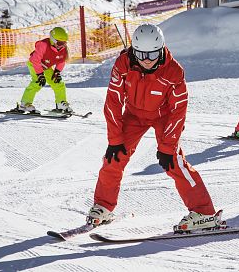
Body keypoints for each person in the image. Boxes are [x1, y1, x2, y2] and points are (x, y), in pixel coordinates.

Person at [88, 24, 220, 233]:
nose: (147, 59)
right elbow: (113, 101)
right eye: (141, 54)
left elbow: (178, 111)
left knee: (174, 162)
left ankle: (204, 212)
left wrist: (168, 146)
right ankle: (104, 206)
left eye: (152, 54)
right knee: (113, 158)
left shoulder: (174, 71)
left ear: (161, 49)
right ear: (133, 50)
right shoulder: (123, 64)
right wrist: (115, 139)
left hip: (164, 116)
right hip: (133, 115)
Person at [16, 27, 73, 114]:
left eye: (64, 43)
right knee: (37, 82)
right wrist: (40, 74)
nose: (62, 45)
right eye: (60, 42)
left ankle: (61, 103)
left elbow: (61, 60)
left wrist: (57, 71)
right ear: (53, 39)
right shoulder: (43, 45)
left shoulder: (63, 48)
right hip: (34, 64)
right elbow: (35, 60)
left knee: (58, 83)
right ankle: (24, 105)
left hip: (46, 67)